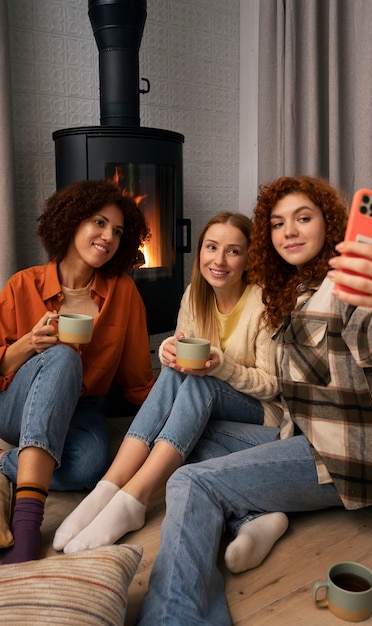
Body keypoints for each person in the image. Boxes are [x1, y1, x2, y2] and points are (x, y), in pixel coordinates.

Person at [135, 175, 372, 625]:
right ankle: (262, 516)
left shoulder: (342, 288)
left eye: (303, 218)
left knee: (188, 482)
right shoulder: (287, 293)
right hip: (291, 435)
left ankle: (173, 619)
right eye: (278, 224)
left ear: (329, 224)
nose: (290, 231)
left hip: (337, 455)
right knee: (185, 438)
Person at [53, 211, 285, 556]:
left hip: (261, 419)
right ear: (200, 251)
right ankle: (109, 489)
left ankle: (134, 497)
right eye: (211, 247)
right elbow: (182, 358)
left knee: (199, 385)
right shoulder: (195, 295)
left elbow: (272, 386)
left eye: (233, 251)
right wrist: (167, 352)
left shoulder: (263, 302)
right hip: (208, 410)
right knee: (182, 379)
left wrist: (223, 368)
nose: (219, 260)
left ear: (249, 258)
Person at [0, 179, 154, 564]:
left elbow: (137, 380)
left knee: (90, 467)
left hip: (82, 409)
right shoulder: (22, 284)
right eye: (98, 223)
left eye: (117, 231)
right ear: (72, 222)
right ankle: (27, 525)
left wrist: (173, 408)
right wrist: (29, 344)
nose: (108, 236)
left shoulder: (124, 292)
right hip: (13, 405)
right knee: (63, 357)